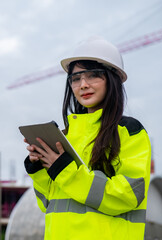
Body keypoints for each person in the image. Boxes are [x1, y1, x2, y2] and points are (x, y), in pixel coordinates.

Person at [24, 36, 151, 240]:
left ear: (113, 78)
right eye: (76, 78)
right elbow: (48, 203)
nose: (83, 85)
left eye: (93, 75)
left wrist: (65, 170)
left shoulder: (129, 131)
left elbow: (127, 196)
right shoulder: (66, 136)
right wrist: (39, 169)